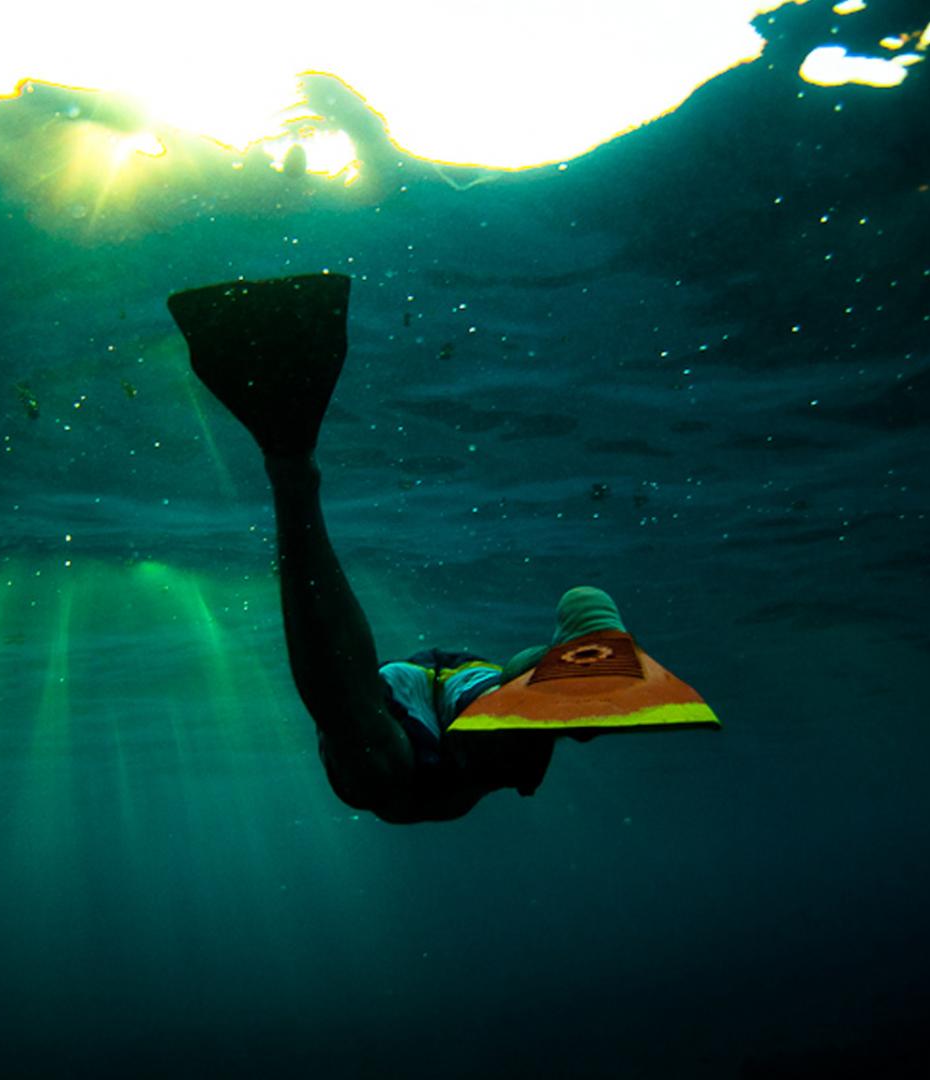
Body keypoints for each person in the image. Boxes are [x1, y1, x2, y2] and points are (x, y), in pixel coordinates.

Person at [169, 273, 708, 824]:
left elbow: (349, 718)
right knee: (455, 743)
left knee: (381, 761)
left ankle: (565, 659)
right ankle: (567, 655)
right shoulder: (435, 767)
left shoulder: (391, 771)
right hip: (440, 703)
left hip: (411, 707)